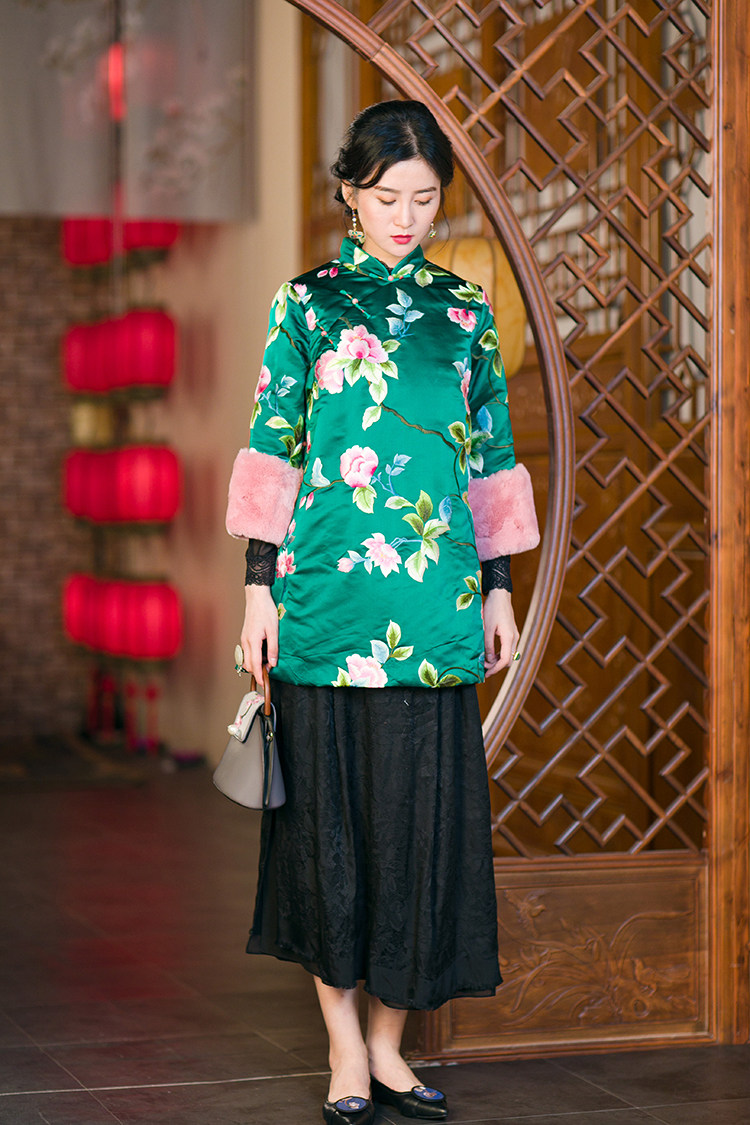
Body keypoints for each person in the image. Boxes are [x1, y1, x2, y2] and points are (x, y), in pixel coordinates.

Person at [226, 100, 539, 1125]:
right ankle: (345, 1048)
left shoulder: (465, 310)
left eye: (425, 199)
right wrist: (258, 590)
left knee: (417, 838)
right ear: (349, 195)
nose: (406, 217)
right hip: (322, 607)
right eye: (387, 197)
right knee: (329, 838)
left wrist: (499, 588)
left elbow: (489, 456)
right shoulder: (306, 304)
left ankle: (392, 1046)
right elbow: (272, 447)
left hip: (436, 610)